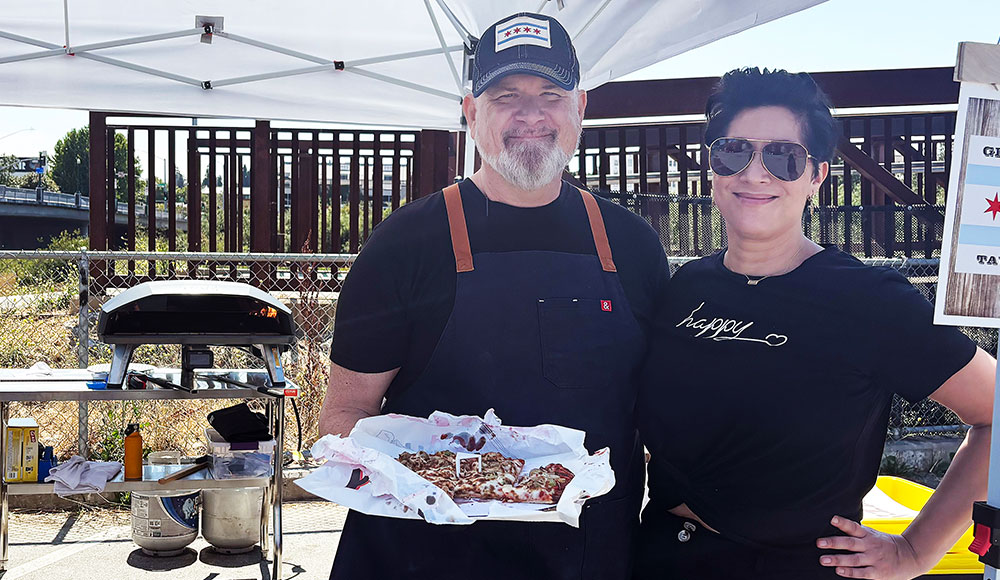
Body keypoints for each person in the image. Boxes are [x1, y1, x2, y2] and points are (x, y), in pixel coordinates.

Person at [318, 12, 670, 580]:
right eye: (507, 95)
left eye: (550, 95)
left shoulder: (630, 244)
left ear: (579, 109)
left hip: (587, 554)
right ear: (471, 112)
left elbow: (663, 412)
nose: (530, 116)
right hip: (423, 555)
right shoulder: (406, 244)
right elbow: (345, 412)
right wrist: (385, 478)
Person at [635, 67, 994, 580]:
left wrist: (916, 552)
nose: (755, 174)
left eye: (783, 157)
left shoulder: (868, 301)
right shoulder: (686, 288)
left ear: (817, 175)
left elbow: (994, 412)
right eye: (733, 151)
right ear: (711, 167)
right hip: (660, 559)